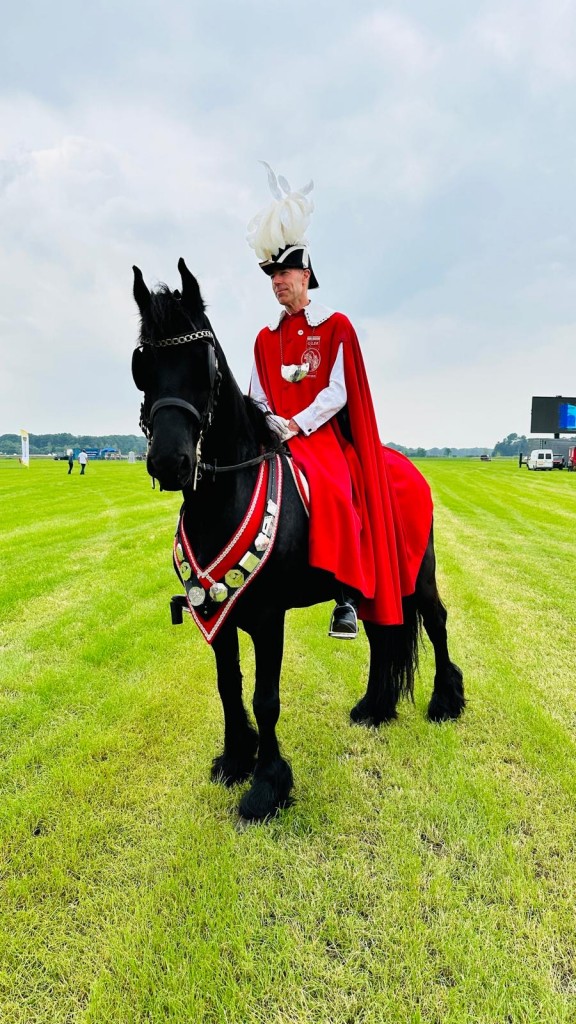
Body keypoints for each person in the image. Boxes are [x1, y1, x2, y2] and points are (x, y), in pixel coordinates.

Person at [247, 165, 431, 639]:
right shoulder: (265, 338)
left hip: (320, 435)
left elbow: (338, 389)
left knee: (332, 486)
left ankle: (345, 595)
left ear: (305, 275)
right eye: (272, 275)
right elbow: (257, 394)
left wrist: (297, 423)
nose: (276, 281)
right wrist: (270, 422)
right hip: (275, 435)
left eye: (283, 272)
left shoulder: (335, 326)